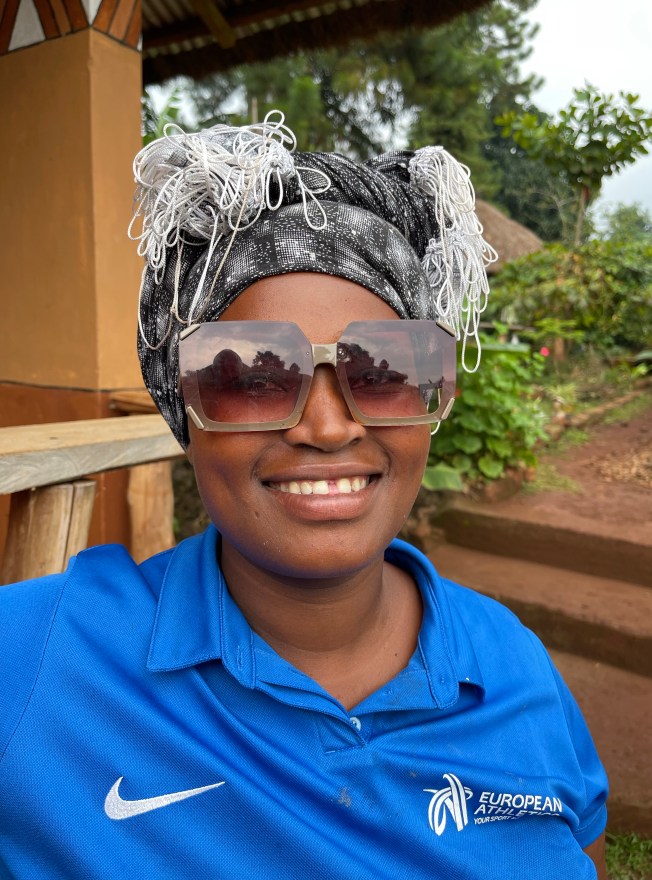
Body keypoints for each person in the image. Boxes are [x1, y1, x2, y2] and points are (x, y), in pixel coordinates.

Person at [0, 113, 607, 879]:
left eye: (382, 371)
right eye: (251, 375)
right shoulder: (34, 657)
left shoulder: (514, 667)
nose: (327, 426)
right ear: (184, 408)